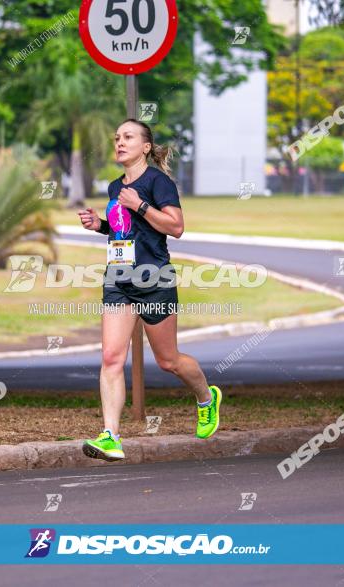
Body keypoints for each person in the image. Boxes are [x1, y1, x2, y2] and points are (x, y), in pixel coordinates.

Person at [76, 119, 221, 461]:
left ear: (145, 147)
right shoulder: (115, 187)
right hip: (119, 280)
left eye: (128, 137)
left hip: (154, 279)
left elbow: (176, 227)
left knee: (169, 360)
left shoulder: (159, 182)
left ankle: (206, 397)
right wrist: (101, 225)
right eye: (116, 138)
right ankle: (110, 435)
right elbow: (126, 231)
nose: (120, 142)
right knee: (111, 357)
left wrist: (139, 204)